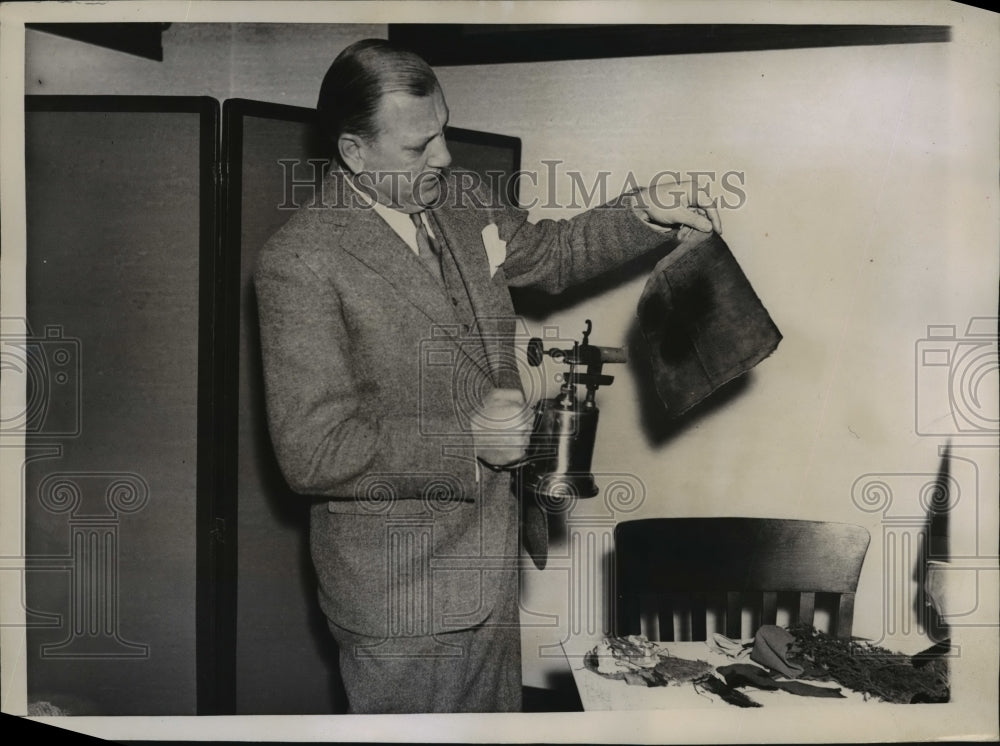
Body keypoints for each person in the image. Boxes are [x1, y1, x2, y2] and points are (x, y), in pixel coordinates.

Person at [254, 38, 720, 714]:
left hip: (490, 561)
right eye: (418, 146)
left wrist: (643, 209)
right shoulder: (300, 262)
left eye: (441, 130)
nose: (443, 156)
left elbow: (551, 256)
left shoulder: (461, 197)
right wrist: (465, 441)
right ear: (355, 153)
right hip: (398, 594)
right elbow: (312, 451)